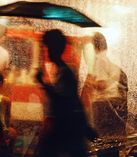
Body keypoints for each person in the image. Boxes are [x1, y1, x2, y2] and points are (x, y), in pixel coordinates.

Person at [35, 29, 96, 157]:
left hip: (66, 126)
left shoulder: (65, 72)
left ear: (54, 48)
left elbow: (63, 100)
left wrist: (43, 84)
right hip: (68, 126)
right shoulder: (62, 70)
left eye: (47, 47)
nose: (46, 51)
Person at [81, 32, 128, 138]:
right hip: (113, 109)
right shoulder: (111, 65)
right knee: (111, 144)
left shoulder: (98, 61)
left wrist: (89, 82)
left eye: (86, 48)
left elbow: (101, 85)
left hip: (104, 108)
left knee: (104, 144)